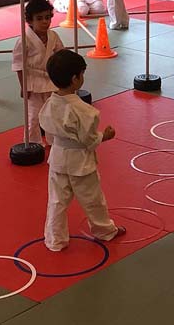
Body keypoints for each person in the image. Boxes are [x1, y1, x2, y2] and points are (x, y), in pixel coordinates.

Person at [39, 49, 125, 251]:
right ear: (75, 78)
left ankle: (55, 239)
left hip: (58, 158)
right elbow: (89, 140)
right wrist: (106, 135)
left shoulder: (49, 105)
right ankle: (104, 231)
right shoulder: (85, 111)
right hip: (81, 163)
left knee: (57, 202)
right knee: (93, 200)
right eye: (82, 74)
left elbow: (48, 133)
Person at [12, 0, 64, 145]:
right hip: (33, 82)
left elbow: (61, 56)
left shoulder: (53, 36)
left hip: (51, 80)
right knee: (33, 116)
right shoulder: (24, 40)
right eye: (39, 18)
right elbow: (19, 66)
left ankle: (54, 141)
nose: (44, 22)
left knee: (52, 113)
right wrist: (24, 86)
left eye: (47, 17)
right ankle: (32, 144)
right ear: (30, 20)